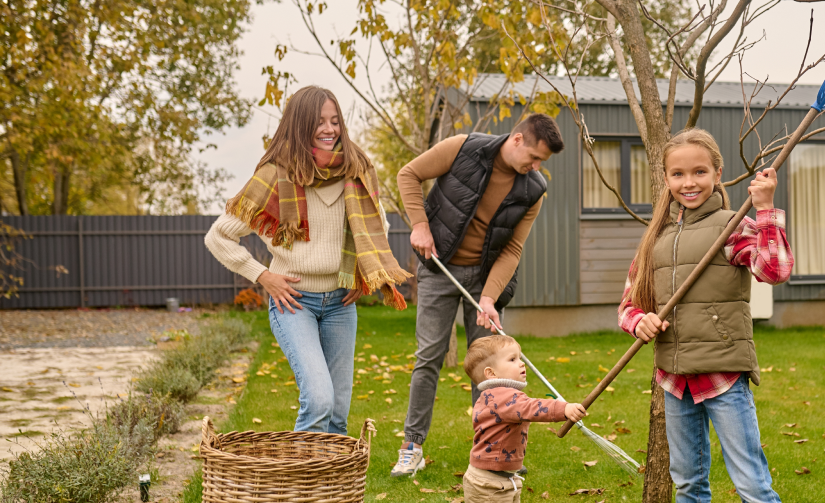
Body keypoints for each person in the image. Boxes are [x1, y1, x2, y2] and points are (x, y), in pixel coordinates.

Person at [205, 86, 410, 434]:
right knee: (318, 400)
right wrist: (264, 276)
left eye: (335, 121)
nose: (330, 130)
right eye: (319, 122)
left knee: (337, 413)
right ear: (300, 125)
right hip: (294, 303)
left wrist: (361, 274)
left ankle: (332, 489)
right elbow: (218, 236)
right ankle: (298, 486)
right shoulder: (274, 175)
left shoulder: (356, 170)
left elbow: (378, 226)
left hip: (340, 304)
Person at [617, 128, 792, 503]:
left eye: (699, 172)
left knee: (752, 486)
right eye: (678, 174)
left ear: (717, 173)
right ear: (665, 178)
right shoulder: (656, 237)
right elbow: (629, 306)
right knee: (688, 486)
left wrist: (765, 210)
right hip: (675, 379)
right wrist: (640, 322)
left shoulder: (733, 225)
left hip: (723, 374)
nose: (689, 182)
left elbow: (773, 271)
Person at [392, 114, 564, 476]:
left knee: (493, 371)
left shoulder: (533, 190)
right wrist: (420, 225)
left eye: (541, 163)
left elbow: (513, 249)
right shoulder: (463, 148)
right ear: (517, 139)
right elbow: (408, 174)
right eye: (533, 158)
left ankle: (492, 452)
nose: (535, 167)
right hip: (439, 266)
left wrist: (488, 298)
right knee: (429, 356)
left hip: (485, 279)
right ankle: (412, 445)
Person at [461, 334, 586, 502]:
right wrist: (564, 409)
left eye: (519, 357)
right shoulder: (501, 397)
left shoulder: (493, 396)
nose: (521, 363)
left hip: (503, 478)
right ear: (491, 373)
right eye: (512, 359)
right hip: (489, 486)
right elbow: (530, 408)